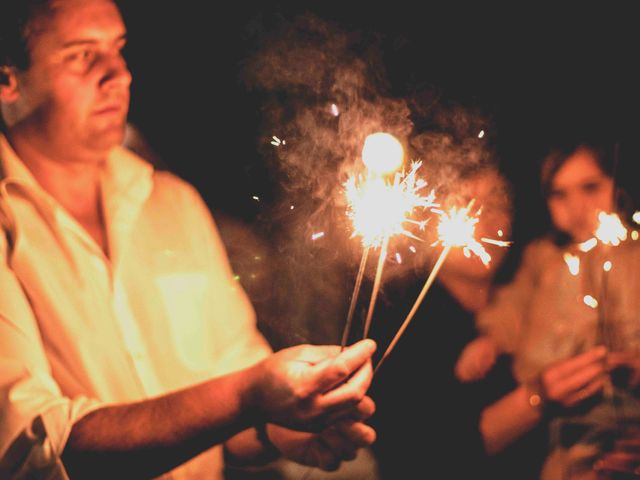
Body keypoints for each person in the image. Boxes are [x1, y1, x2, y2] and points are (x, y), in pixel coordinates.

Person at [0, 1, 378, 478]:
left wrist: (278, 429)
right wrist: (248, 397)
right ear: (7, 80)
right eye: (82, 55)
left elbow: (231, 397)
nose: (119, 74)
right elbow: (32, 448)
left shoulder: (174, 203)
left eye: (118, 49)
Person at [455, 138, 640, 479]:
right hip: (564, 416)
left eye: (590, 187)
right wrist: (491, 339)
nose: (577, 205)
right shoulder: (542, 257)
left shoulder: (634, 256)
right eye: (560, 194)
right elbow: (514, 304)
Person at [369, 165, 517, 479]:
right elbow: (425, 455)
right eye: (463, 206)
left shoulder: (530, 298)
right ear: (429, 221)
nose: (485, 222)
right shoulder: (403, 319)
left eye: (496, 205)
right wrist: (539, 397)